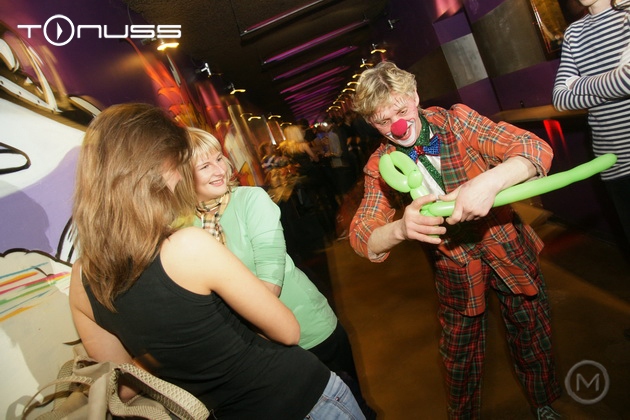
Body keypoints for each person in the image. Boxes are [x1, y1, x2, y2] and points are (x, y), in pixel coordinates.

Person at [69, 103, 365, 420]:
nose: (178, 175)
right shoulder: (188, 245)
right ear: (153, 171)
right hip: (298, 397)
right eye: (178, 163)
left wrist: (164, 353)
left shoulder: (80, 278)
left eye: (218, 159)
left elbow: (123, 386)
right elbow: (287, 331)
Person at [348, 61, 561, 419]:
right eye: (383, 121)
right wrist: (400, 229)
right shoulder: (381, 165)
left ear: (415, 97)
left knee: (533, 334)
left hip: (507, 247)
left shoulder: (457, 121)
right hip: (454, 268)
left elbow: (533, 147)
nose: (397, 126)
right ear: (371, 122)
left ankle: (543, 404)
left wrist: (489, 182)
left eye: (401, 111)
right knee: (460, 359)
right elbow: (361, 235)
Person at [176, 127, 376, 419]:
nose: (219, 170)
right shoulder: (183, 225)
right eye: (205, 166)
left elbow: (270, 281)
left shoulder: (250, 199)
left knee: (352, 407)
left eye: (219, 159)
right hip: (258, 353)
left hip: (307, 331)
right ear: (182, 176)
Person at [552, 0, 630, 255]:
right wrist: (613, 83)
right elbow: (560, 99)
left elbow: (628, 80)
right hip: (611, 162)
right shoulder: (574, 33)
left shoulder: (627, 16)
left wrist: (578, 84)